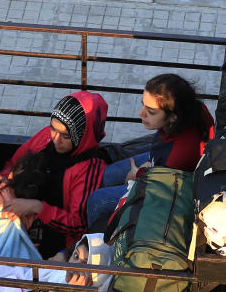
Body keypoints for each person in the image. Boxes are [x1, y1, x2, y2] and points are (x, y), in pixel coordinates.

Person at [0, 91, 108, 258]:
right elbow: (13, 164)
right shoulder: (46, 138)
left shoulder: (90, 167)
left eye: (65, 135)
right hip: (21, 216)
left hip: (53, 242)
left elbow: (78, 224)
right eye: (53, 129)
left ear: (81, 136)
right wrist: (3, 179)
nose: (55, 140)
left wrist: (37, 207)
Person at [85, 74, 214, 226]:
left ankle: (91, 239)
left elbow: (159, 190)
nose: (141, 113)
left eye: (151, 111)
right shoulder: (193, 110)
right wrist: (143, 168)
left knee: (96, 201)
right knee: (105, 176)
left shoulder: (180, 154)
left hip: (163, 187)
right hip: (158, 163)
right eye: (143, 105)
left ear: (173, 116)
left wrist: (137, 175)